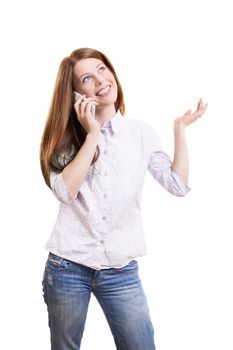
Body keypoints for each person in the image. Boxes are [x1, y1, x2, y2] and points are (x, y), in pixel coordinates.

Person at [40, 47, 208, 350]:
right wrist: (92, 135)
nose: (101, 80)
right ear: (77, 94)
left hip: (121, 268)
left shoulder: (140, 133)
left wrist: (179, 128)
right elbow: (64, 192)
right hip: (68, 265)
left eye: (102, 69)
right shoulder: (66, 138)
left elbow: (177, 185)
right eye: (87, 78)